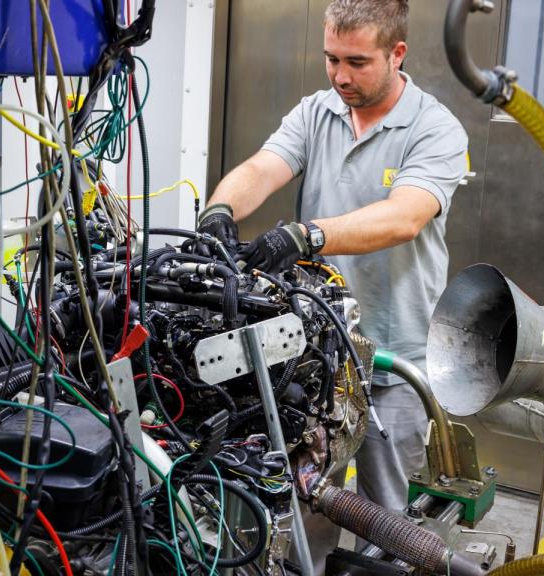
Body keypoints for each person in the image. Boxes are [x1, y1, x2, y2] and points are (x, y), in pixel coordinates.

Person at [198, 0, 468, 555]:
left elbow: (405, 216)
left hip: (395, 355)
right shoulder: (316, 112)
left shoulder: (435, 128)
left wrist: (308, 234)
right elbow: (262, 168)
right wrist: (220, 209)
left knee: (382, 518)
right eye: (331, 59)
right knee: (301, 499)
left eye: (357, 62)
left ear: (397, 54)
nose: (341, 75)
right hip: (316, 353)